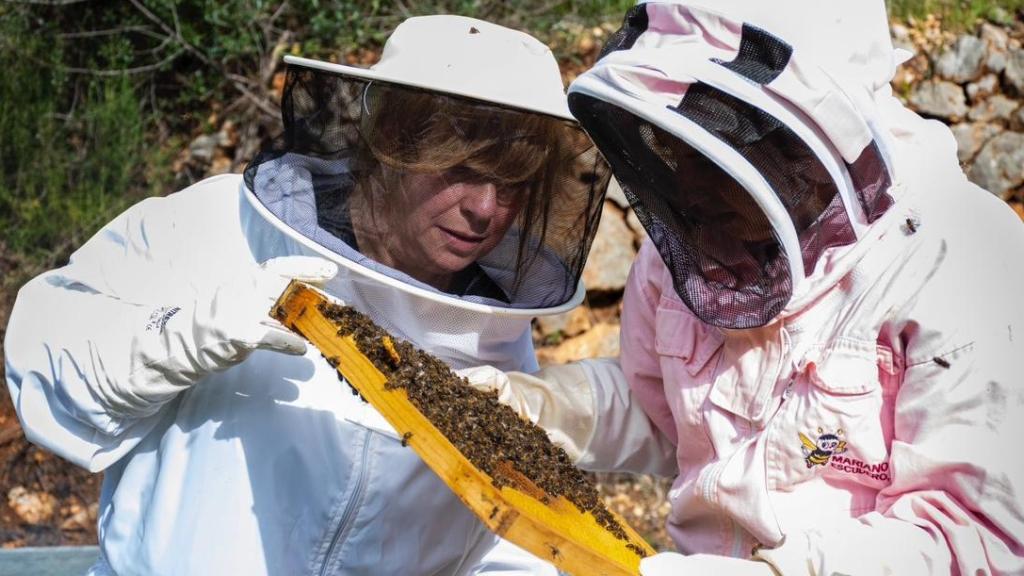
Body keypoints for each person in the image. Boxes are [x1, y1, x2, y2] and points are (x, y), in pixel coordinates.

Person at [4, 15, 611, 575]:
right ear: (395, 143)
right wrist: (173, 339)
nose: (485, 210)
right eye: (461, 169)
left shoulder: (490, 326)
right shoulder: (222, 225)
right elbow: (40, 360)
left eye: (511, 184)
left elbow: (503, 534)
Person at [464, 1, 1024, 574]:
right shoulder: (681, 251)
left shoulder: (962, 259)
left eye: (717, 149)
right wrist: (546, 407)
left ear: (805, 147)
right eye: (676, 146)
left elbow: (975, 535)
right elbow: (665, 413)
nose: (689, 185)